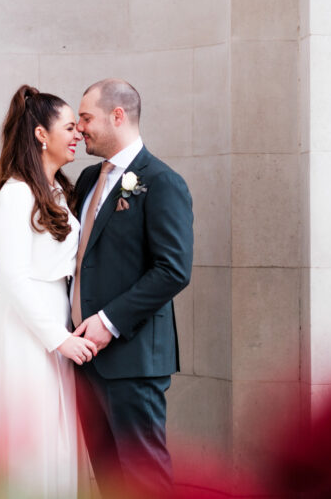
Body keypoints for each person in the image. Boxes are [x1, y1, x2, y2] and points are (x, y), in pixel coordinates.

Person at [0, 85, 97, 499]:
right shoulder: (15, 193)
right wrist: (57, 338)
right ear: (42, 135)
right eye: (68, 127)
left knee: (57, 435)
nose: (77, 133)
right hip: (24, 328)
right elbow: (13, 276)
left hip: (54, 319)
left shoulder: (59, 190)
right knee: (32, 436)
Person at [72, 78, 194, 497]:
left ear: (117, 116)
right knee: (108, 481)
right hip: (85, 359)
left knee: (144, 480)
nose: (79, 128)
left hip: (134, 358)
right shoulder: (87, 180)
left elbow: (173, 269)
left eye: (86, 118)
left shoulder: (161, 181)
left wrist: (108, 321)